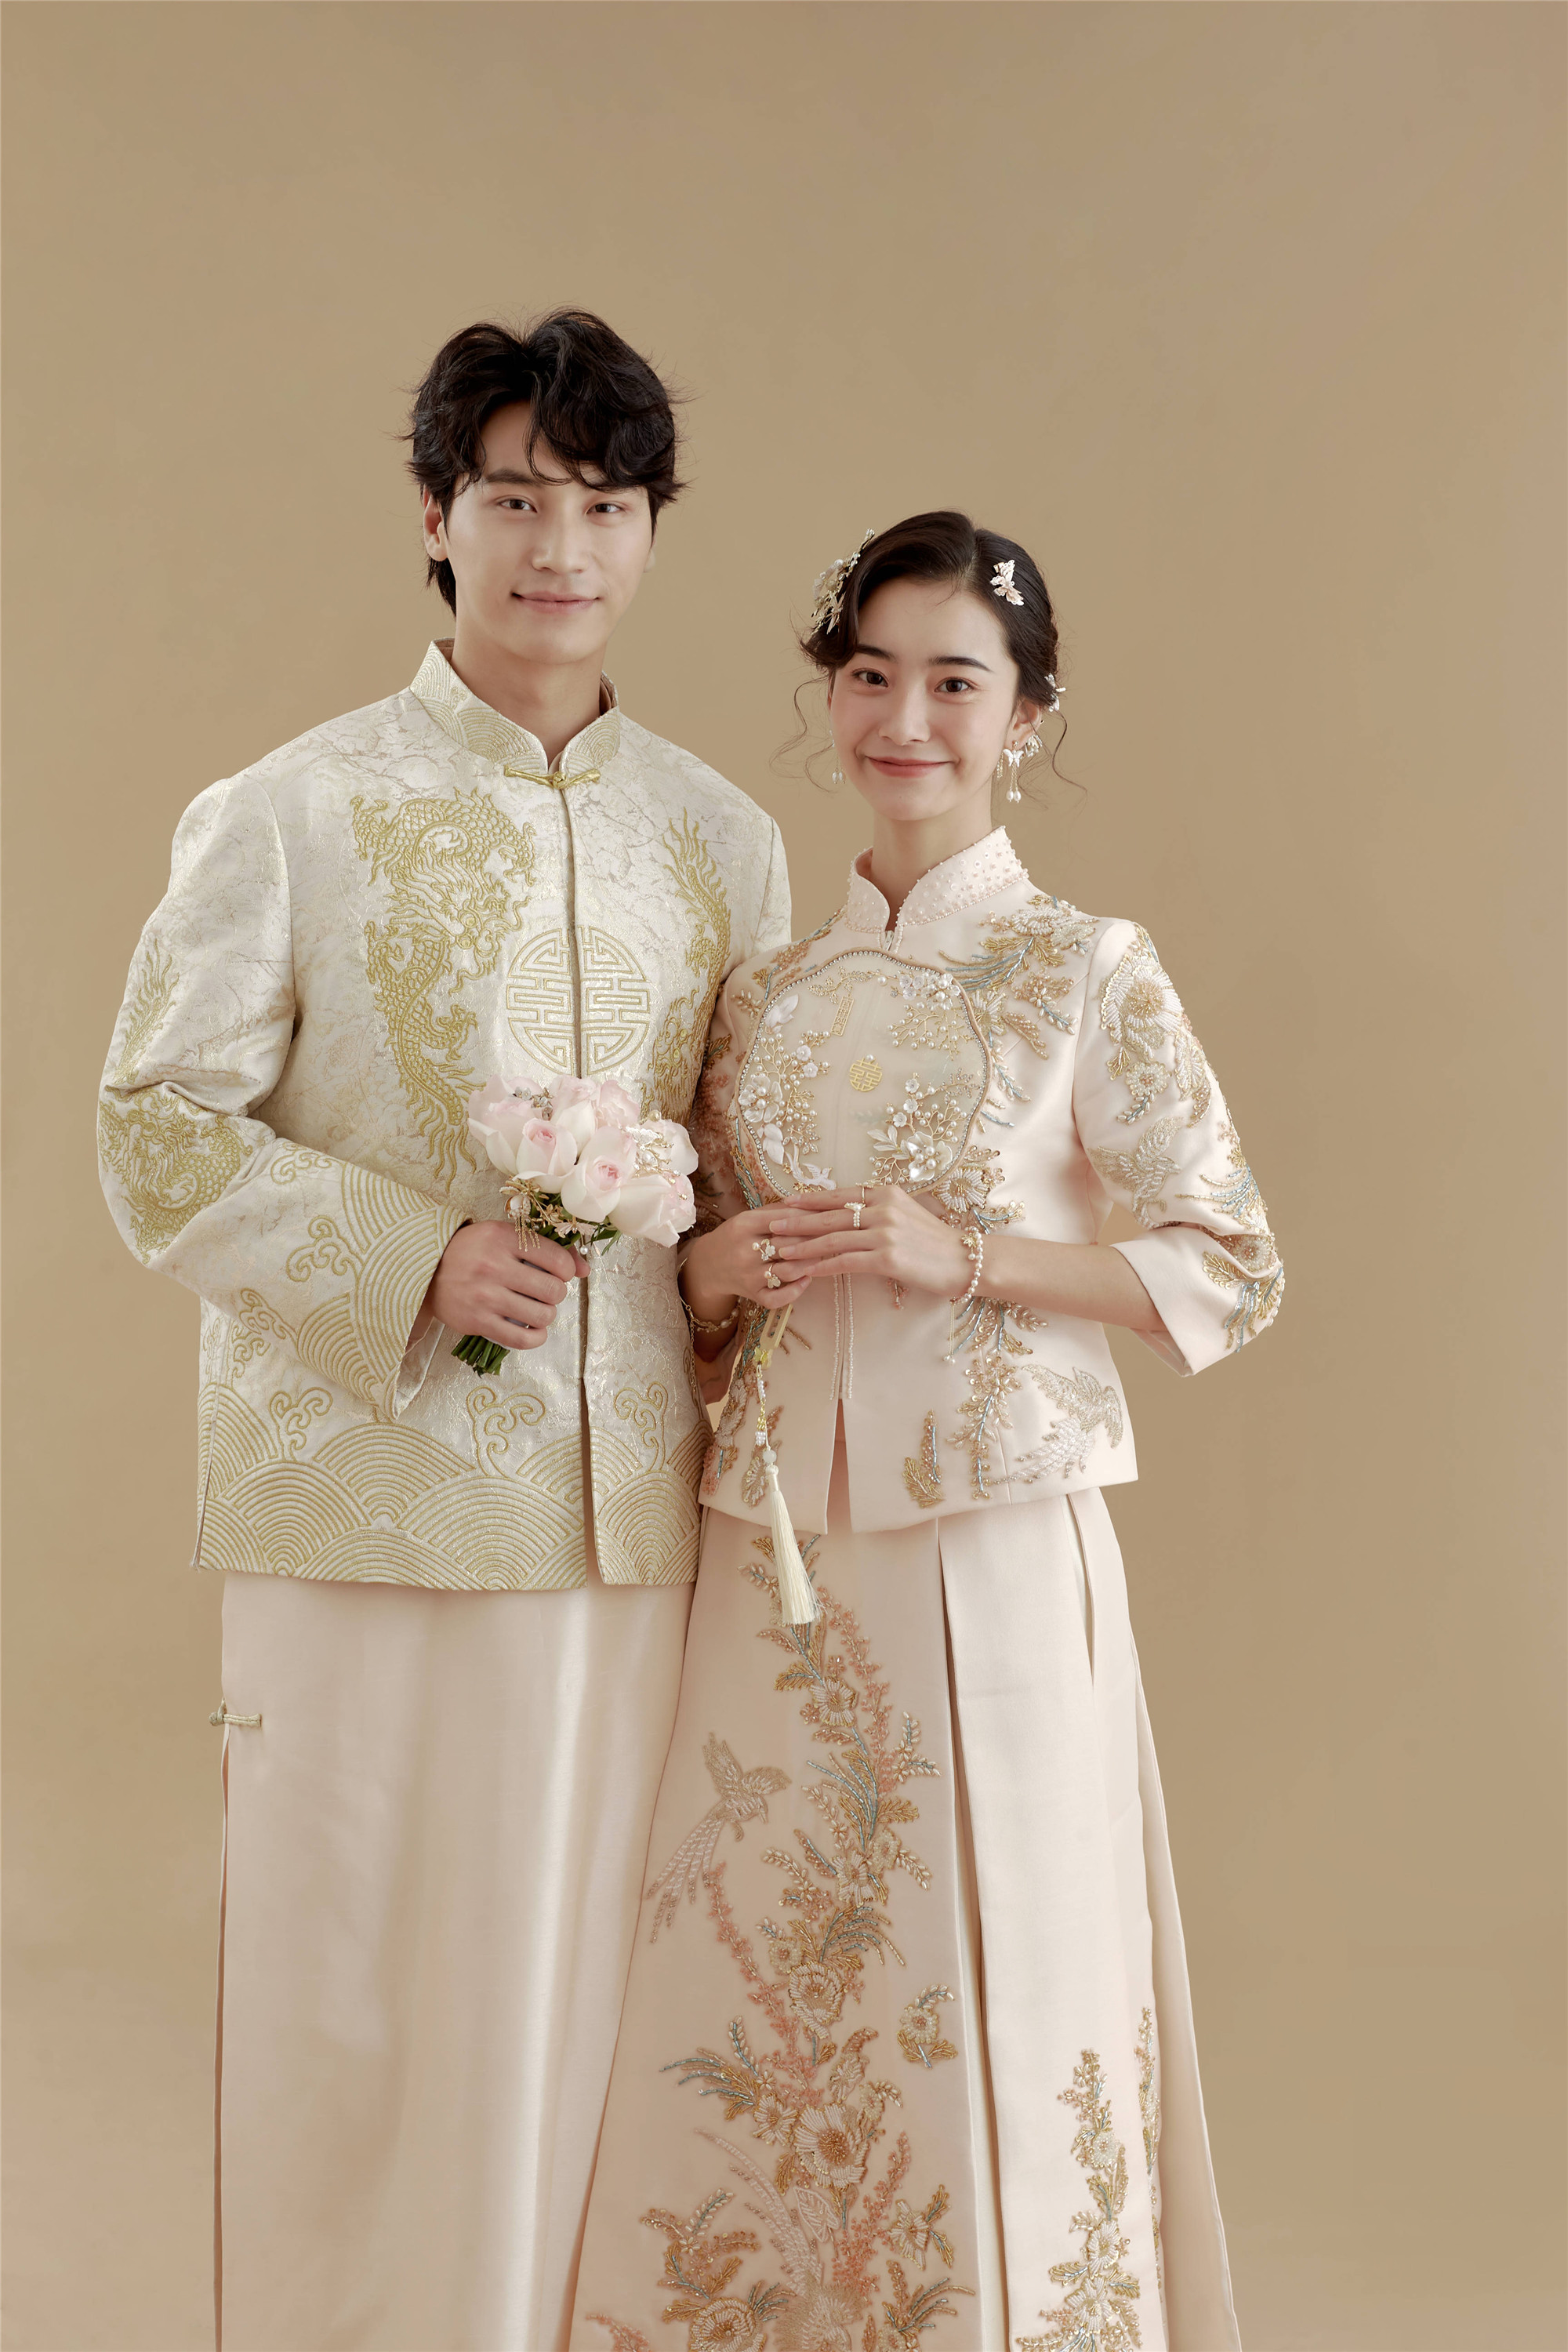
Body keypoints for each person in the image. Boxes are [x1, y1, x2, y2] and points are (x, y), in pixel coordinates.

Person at [96, 310, 789, 2352]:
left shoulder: (717, 839)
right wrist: (411, 1260)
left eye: (605, 505)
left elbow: (734, 1168)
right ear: (434, 517)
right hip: (362, 1500)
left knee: (592, 2000)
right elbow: (153, 1125)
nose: (560, 547)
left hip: (625, 1523)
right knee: (354, 2000)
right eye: (515, 499)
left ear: (651, 531)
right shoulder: (288, 808)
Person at [572, 512, 1280, 2350]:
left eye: (955, 683)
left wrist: (959, 1255)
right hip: (770, 1559)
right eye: (871, 675)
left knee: (1001, 1953)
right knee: (769, 1963)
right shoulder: (757, 993)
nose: (906, 720)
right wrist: (710, 1268)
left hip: (997, 1539)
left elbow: (1227, 1264)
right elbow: (689, 1293)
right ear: (830, 696)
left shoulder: (1084, 966)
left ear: (1025, 716)